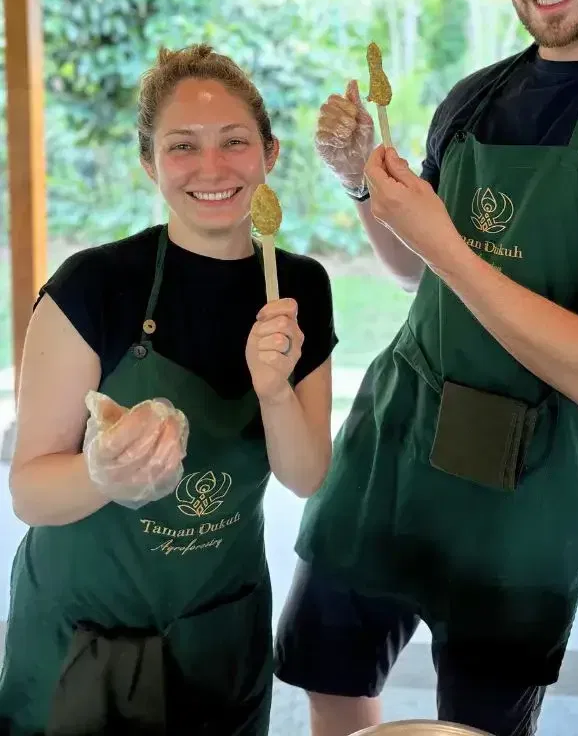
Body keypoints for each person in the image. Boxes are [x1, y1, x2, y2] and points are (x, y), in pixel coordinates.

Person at [274, 0, 578, 736]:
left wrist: (447, 242)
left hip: (530, 484)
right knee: (327, 668)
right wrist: (362, 188)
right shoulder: (474, 97)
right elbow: (413, 270)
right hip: (397, 441)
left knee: (484, 719)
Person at [0, 44, 336, 735]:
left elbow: (305, 477)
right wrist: (104, 473)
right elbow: (30, 490)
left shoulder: (298, 288)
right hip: (81, 635)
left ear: (269, 154)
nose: (211, 168)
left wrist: (275, 393)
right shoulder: (92, 287)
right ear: (150, 164)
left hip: (217, 630)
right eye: (182, 147)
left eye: (234, 142)